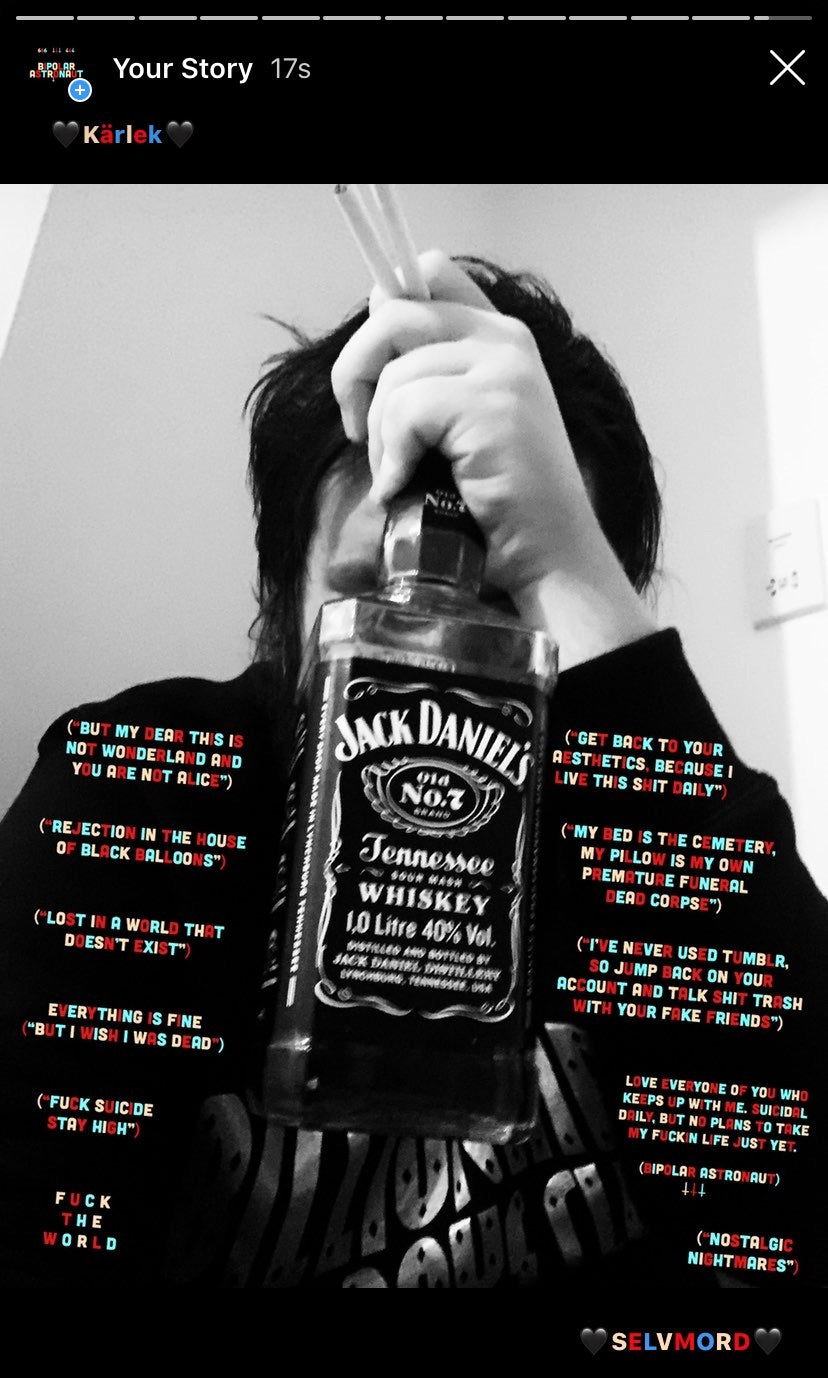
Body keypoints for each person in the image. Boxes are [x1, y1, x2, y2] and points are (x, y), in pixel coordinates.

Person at [1, 251, 825, 1291]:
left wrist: (565, 567)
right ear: (281, 603)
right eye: (373, 595)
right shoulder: (140, 795)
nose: (438, 660)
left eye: (508, 603)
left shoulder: (641, 831)